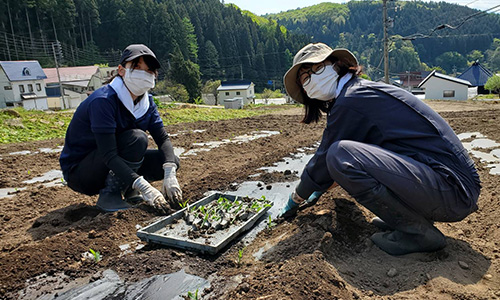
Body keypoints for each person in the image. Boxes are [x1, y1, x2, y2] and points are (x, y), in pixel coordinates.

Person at [279, 43, 481, 255]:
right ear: (306, 91)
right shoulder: (358, 92)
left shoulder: (350, 100)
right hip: (449, 186)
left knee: (340, 154)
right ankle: (409, 219)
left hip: (453, 190)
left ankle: (417, 233)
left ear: (337, 65)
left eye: (318, 69)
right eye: (305, 79)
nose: (313, 78)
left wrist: (297, 197)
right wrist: (320, 185)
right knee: (342, 155)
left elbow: (325, 159)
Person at [60, 44, 182, 214]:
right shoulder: (104, 101)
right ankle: (110, 194)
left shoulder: (147, 103)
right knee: (137, 139)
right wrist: (145, 187)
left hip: (108, 162)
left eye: (149, 70)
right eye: (137, 66)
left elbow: (163, 138)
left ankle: (128, 189)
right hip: (82, 171)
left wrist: (170, 172)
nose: (143, 73)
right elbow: (108, 154)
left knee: (170, 159)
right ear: (121, 70)